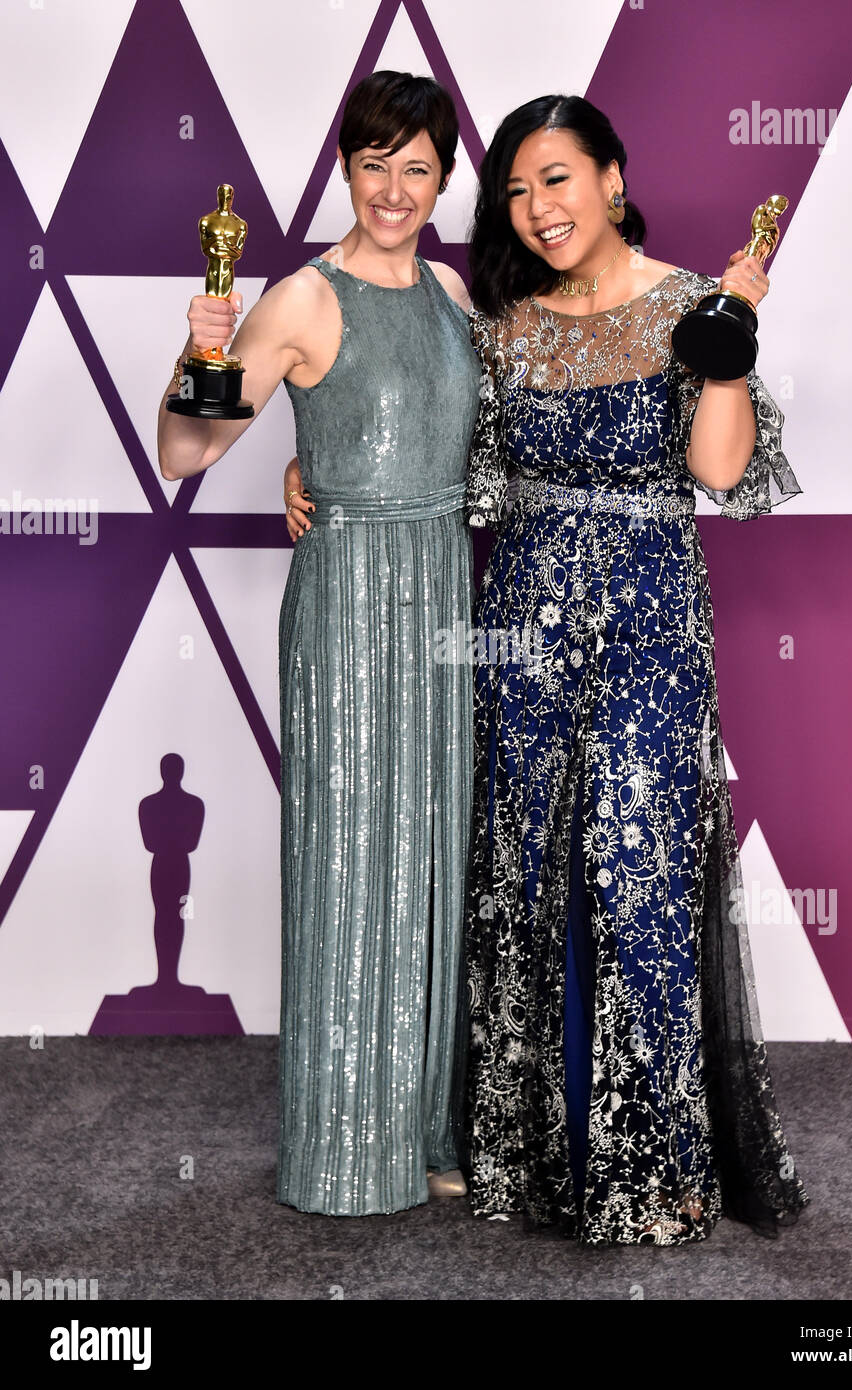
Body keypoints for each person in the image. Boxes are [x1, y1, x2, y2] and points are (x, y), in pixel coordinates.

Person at [462, 94, 810, 1245]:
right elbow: (440, 462)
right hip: (522, 627)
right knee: (530, 870)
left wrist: (728, 333)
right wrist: (302, 486)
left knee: (640, 864)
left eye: (555, 179)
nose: (535, 208)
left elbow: (718, 469)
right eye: (516, 189)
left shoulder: (682, 306)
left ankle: (652, 1162)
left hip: (652, 622)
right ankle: (539, 1156)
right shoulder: (504, 326)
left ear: (612, 178)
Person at [157, 71, 482, 1215]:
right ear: (344, 163)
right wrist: (203, 350)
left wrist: (320, 463)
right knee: (352, 852)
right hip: (348, 598)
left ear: (445, 178)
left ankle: (431, 1125)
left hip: (445, 590)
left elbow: (454, 439)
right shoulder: (300, 295)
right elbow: (186, 452)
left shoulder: (452, 288)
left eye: (418, 168)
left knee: (435, 847)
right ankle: (350, 1144)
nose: (393, 189)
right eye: (374, 162)